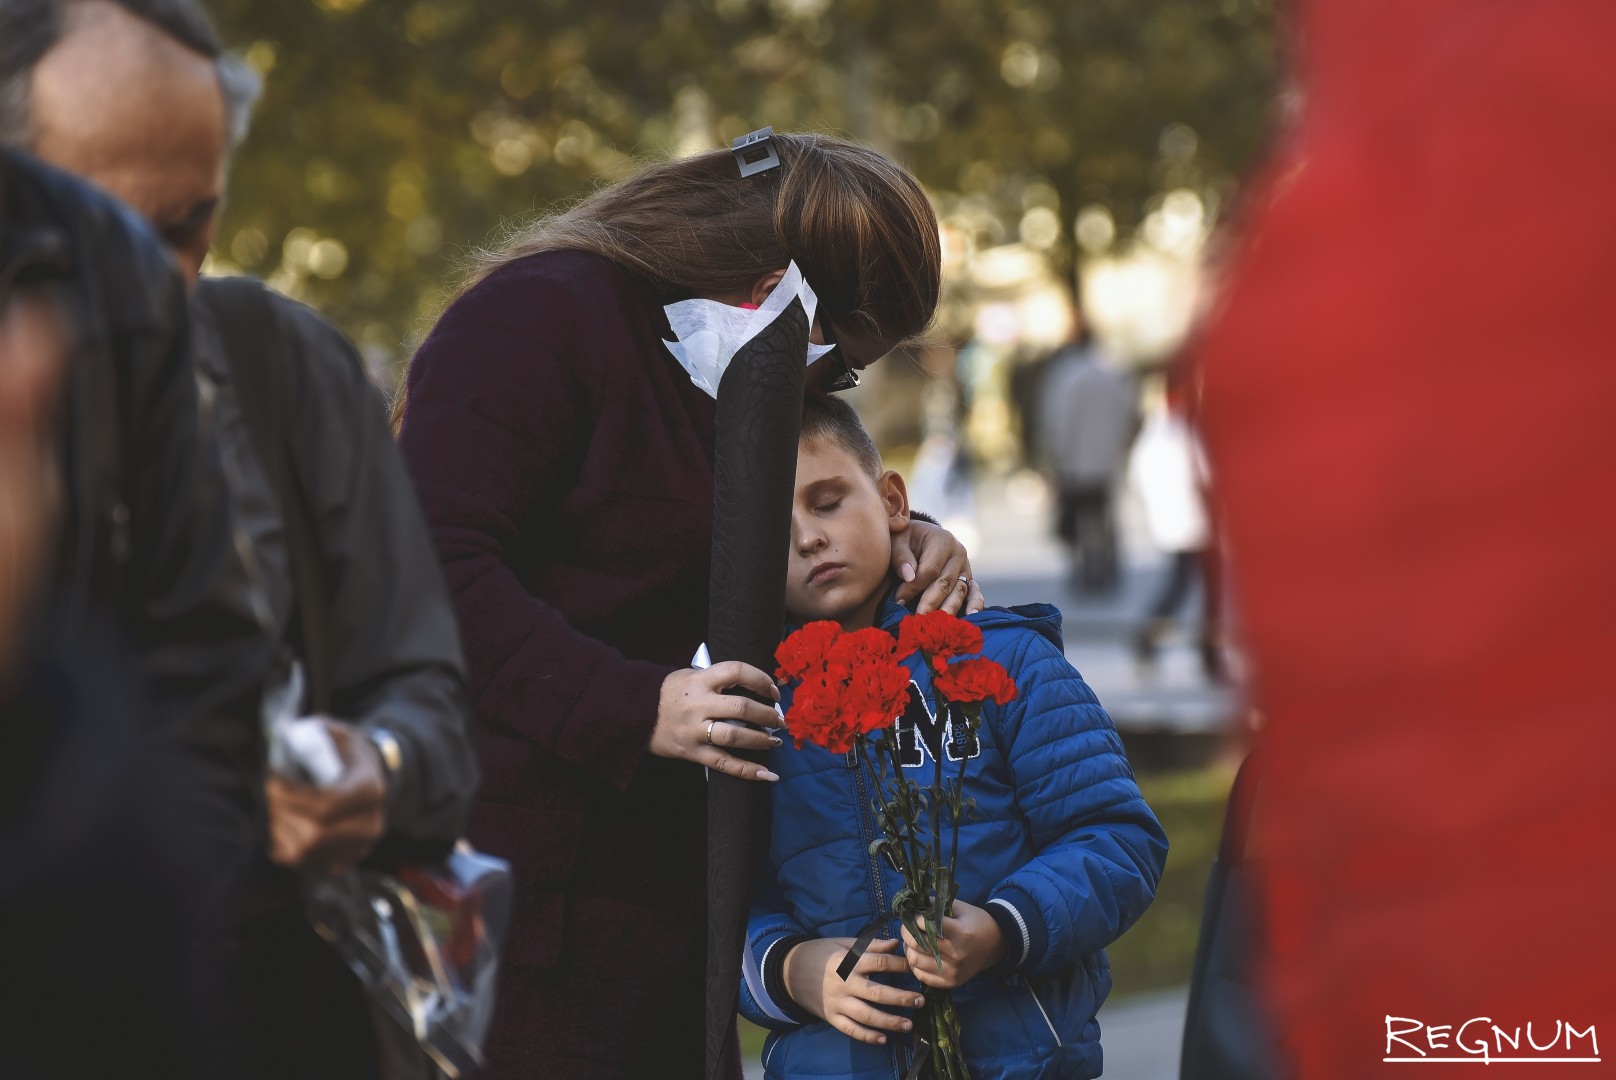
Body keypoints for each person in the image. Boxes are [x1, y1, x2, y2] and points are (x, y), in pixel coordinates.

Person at [396, 132, 980, 1077]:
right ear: (780, 280)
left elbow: (769, 531)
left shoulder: (726, 365)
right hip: (516, 909)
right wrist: (637, 706)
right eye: (840, 363)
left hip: (667, 922)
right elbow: (420, 568)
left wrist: (902, 538)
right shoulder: (541, 318)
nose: (827, 386)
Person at [2, 2, 480, 1074]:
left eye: (188, 225)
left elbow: (433, 714)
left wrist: (376, 765)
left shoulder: (276, 368)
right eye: (103, 229)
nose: (149, 287)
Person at [739, 395, 1167, 1079]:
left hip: (1017, 1059)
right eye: (771, 527)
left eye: (827, 503)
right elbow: (716, 900)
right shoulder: (752, 707)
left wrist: (1005, 927)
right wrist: (789, 968)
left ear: (892, 500)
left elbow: (1118, 838)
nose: (807, 538)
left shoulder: (1004, 659)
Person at [1126, 378, 1220, 680]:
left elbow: (1137, 475)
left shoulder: (1156, 431)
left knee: (1186, 586)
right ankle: (1204, 651)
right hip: (1195, 523)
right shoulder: (1184, 430)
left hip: (1176, 523)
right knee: (1203, 590)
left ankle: (1155, 639)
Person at [1039, 323, 1136, 595]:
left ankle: (1086, 573)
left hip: (1077, 462)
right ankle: (1108, 570)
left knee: (1081, 519)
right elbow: (1128, 415)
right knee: (1105, 517)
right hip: (1107, 459)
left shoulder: (1067, 376)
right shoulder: (1114, 372)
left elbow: (1059, 422)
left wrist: (1058, 459)